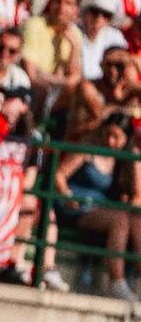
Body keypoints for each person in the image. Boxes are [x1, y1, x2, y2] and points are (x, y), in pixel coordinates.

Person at [54, 113, 141, 301]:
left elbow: (137, 194)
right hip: (77, 207)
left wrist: (133, 155)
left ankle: (137, 278)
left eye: (116, 137)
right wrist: (67, 195)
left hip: (103, 209)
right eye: (108, 134)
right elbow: (59, 174)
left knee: (136, 220)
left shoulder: (122, 160)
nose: (110, 141)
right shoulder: (88, 149)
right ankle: (117, 283)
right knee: (119, 221)